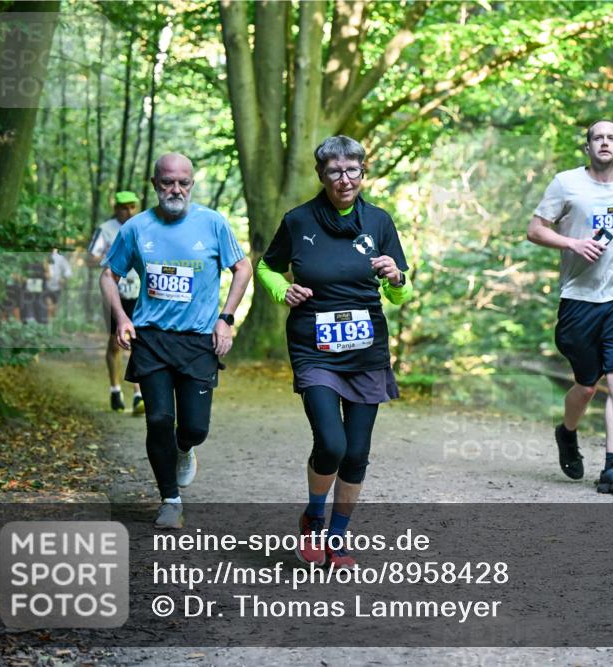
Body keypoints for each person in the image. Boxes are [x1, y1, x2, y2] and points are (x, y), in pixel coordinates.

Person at [258, 135, 412, 568]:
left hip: (366, 352)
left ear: (364, 172)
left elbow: (400, 293)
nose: (344, 180)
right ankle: (313, 518)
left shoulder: (379, 222)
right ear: (321, 175)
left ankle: (339, 538)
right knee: (331, 443)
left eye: (352, 171)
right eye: (334, 172)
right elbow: (266, 266)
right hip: (315, 348)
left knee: (357, 452)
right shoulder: (298, 220)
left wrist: (396, 278)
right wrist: (281, 290)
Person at [100, 153, 252, 529]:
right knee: (158, 419)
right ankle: (170, 498)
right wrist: (122, 317)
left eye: (183, 182)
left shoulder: (213, 223)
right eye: (168, 182)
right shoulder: (136, 228)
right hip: (152, 338)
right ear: (154, 184)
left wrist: (226, 319)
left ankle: (184, 449)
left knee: (195, 428)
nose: (176, 189)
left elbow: (243, 267)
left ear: (192, 185)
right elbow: (108, 276)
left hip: (200, 339)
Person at [527, 119, 613, 494]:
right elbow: (535, 230)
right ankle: (567, 433)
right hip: (579, 298)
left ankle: (612, 467)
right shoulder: (567, 183)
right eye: (597, 138)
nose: (604, 143)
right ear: (588, 147)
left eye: (612, 138)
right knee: (586, 386)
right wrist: (572, 244)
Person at [88, 191, 144, 413]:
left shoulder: (143, 226)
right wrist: (112, 256)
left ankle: (139, 395)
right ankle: (115, 390)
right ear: (116, 208)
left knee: (138, 343)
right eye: (123, 207)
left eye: (132, 207)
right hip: (114, 293)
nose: (128, 211)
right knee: (115, 342)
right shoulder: (105, 229)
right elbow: (91, 257)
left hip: (139, 291)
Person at [45, 248, 72, 323]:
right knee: (48, 305)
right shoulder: (43, 257)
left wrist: (64, 279)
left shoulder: (60, 258)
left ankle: (53, 324)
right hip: (45, 285)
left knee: (54, 307)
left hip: (57, 286)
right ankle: (48, 325)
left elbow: (68, 271)